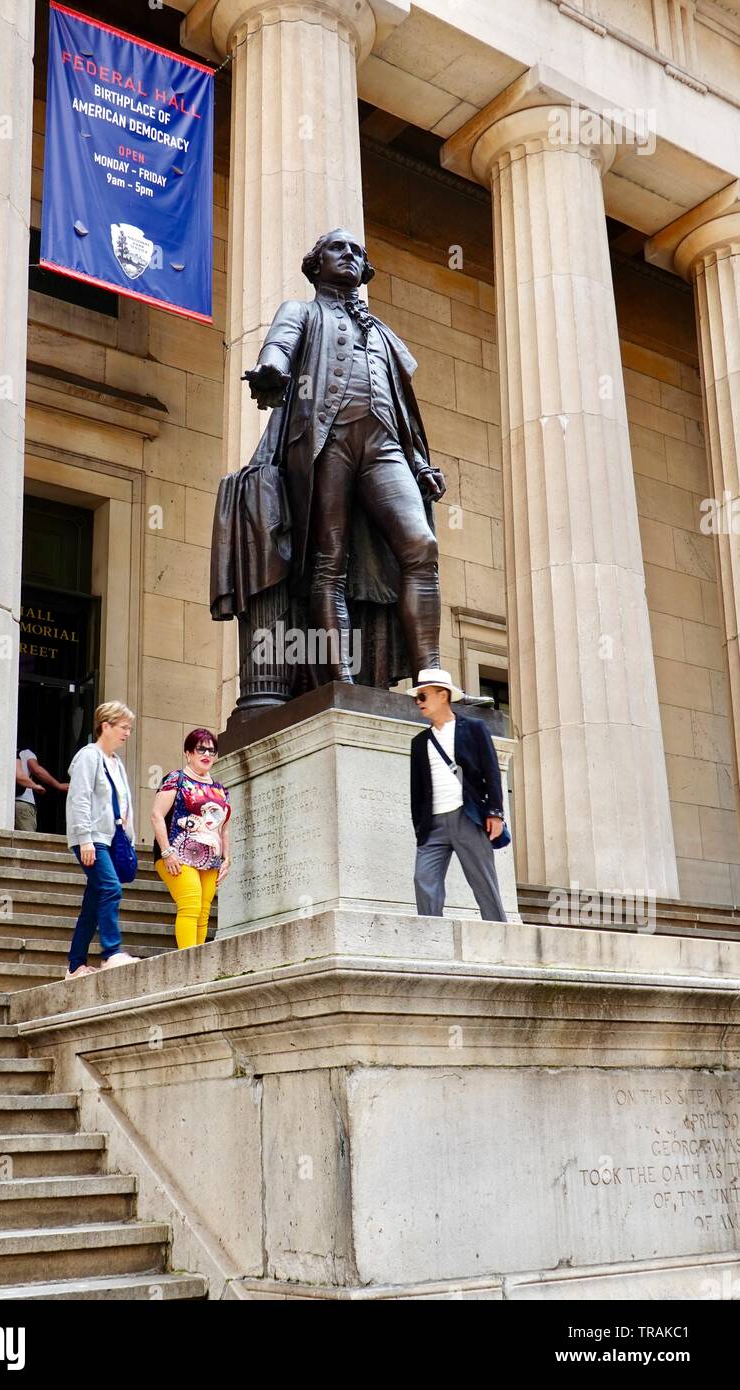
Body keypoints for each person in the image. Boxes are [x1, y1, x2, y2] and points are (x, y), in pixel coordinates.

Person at [211, 227, 447, 700]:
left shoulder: (381, 332)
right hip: (323, 442)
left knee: (421, 547)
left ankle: (432, 673)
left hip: (383, 446)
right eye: (339, 248)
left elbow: (404, 406)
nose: (351, 255)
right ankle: (340, 679)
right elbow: (279, 345)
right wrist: (272, 369)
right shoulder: (302, 311)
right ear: (315, 264)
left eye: (359, 251)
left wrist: (419, 461)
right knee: (328, 563)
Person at [409, 669, 508, 922]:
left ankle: (499, 938)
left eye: (423, 696)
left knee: (483, 882)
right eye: (417, 698)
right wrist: (420, 828)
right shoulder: (419, 742)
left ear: (442, 696)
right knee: (424, 880)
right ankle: (432, 938)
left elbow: (491, 772)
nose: (418, 702)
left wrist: (496, 813)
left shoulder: (474, 728)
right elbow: (417, 791)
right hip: (433, 825)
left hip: (468, 817)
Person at [64, 701, 140, 980]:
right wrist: (84, 839)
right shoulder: (89, 757)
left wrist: (128, 839)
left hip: (111, 838)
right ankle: (111, 952)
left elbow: (123, 805)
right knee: (110, 888)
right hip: (92, 838)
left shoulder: (117, 763)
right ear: (105, 726)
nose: (127, 733)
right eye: (123, 727)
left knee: (94, 900)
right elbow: (79, 800)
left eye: (129, 728)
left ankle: (75, 965)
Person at [151, 729, 232, 950]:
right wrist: (167, 852)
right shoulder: (175, 779)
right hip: (176, 854)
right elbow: (157, 815)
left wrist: (227, 858)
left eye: (212, 750)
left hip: (211, 859)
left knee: (204, 912)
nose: (207, 754)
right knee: (190, 904)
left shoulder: (220, 789)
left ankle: (197, 966)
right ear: (188, 753)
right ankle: (187, 963)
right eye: (201, 749)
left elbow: (223, 828)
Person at [15, 745, 69, 832]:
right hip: (23, 802)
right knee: (27, 842)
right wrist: (58, 785)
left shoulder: (7, 753)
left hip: (6, 804)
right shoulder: (26, 753)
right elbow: (37, 770)